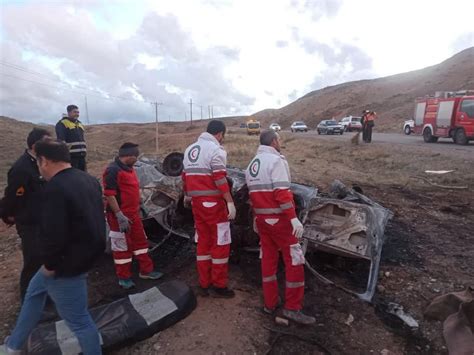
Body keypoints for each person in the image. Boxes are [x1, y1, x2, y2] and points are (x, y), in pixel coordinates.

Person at [4, 139, 105, 354]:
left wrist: (50, 265)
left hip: (64, 266)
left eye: (39, 164)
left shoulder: (55, 189)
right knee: (33, 293)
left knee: (80, 322)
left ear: (45, 161)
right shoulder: (89, 180)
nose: (40, 170)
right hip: (82, 255)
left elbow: (54, 235)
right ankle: (12, 346)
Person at [245, 130, 315, 325]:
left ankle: (270, 303)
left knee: (268, 260)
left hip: (263, 222)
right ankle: (292, 308)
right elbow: (282, 194)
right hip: (280, 222)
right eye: (279, 139)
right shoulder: (276, 161)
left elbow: (252, 196)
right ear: (274, 141)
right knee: (294, 260)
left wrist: (256, 218)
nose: (280, 142)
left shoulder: (252, 164)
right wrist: (293, 219)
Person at [182, 120, 236, 298]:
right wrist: (229, 201)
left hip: (197, 204)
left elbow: (185, 176)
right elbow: (220, 178)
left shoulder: (190, 149)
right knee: (220, 243)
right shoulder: (216, 150)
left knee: (203, 242)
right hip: (214, 204)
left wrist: (187, 195)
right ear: (220, 134)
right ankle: (219, 285)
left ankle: (204, 283)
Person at [103, 142, 163, 289]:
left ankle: (146, 271)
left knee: (141, 243)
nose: (137, 159)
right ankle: (124, 277)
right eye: (135, 157)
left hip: (134, 215)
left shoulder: (129, 169)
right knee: (122, 247)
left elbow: (132, 189)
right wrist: (118, 214)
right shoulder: (112, 170)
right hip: (119, 217)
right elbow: (109, 195)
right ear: (128, 156)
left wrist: (140, 203)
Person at [0, 128, 51, 302]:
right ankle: (29, 301)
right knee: (33, 263)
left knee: (47, 259)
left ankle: (46, 296)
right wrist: (7, 216)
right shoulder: (22, 168)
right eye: (47, 142)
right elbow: (12, 196)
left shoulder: (42, 162)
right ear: (35, 145)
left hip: (44, 220)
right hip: (30, 223)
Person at [55, 104, 87, 171]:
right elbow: (61, 141)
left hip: (82, 156)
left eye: (78, 112)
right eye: (75, 112)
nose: (77, 114)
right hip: (71, 157)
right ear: (69, 112)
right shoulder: (62, 124)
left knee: (83, 176)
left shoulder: (79, 123)